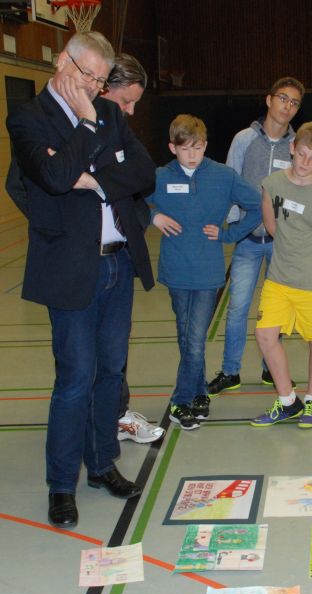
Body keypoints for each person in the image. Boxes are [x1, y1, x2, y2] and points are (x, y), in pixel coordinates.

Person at [6, 31, 156, 528]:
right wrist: (89, 130)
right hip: (71, 268)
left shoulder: (112, 113)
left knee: (111, 374)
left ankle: (102, 464)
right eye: (87, 75)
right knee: (74, 381)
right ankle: (61, 484)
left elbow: (142, 174)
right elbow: (50, 179)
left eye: (98, 79)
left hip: (118, 262)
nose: (93, 87)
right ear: (61, 63)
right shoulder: (29, 118)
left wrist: (90, 179)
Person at [147, 115, 263, 431]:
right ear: (173, 148)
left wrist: (229, 233)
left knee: (195, 340)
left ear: (206, 145)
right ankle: (200, 394)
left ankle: (180, 400)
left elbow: (258, 205)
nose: (193, 155)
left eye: (198, 148)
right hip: (175, 271)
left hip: (208, 273)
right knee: (187, 338)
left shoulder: (223, 176)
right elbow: (131, 202)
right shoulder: (159, 176)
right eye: (185, 149)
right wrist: (153, 217)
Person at [207, 77, 305, 397]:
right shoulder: (244, 139)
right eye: (283, 99)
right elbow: (229, 181)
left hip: (281, 243)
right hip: (248, 241)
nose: (287, 106)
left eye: (294, 102)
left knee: (276, 310)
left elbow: (302, 187)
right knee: (237, 308)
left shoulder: (296, 146)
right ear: (268, 100)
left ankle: (270, 369)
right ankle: (231, 371)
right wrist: (233, 227)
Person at [250, 122, 312, 428]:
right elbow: (272, 227)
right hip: (278, 278)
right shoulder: (272, 184)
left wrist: (308, 264)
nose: (305, 163)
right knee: (265, 335)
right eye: (301, 154)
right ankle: (288, 400)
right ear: (292, 148)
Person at [101, 53, 165, 444]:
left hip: (120, 256)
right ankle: (95, 423)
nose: (132, 110)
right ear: (102, 87)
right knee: (79, 359)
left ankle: (117, 415)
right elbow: (24, 186)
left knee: (115, 351)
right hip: (78, 260)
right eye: (126, 101)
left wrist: (142, 218)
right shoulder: (62, 130)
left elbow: (143, 178)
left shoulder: (120, 131)